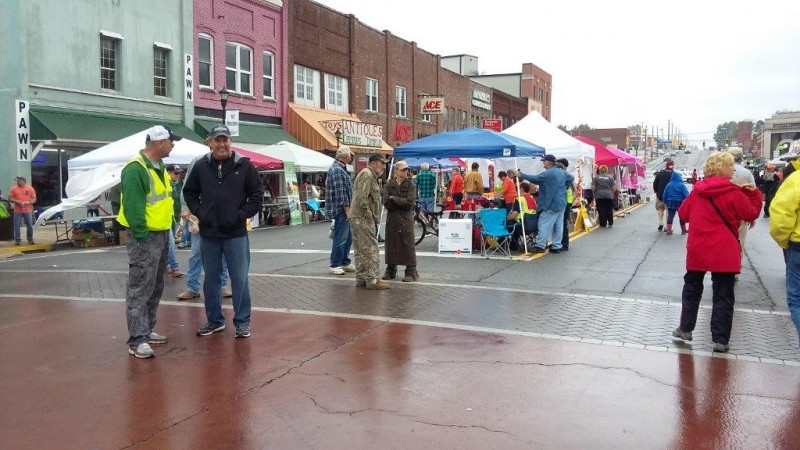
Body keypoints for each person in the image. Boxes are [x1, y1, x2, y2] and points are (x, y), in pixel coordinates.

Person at [671, 151, 762, 353]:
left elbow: (684, 214)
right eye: (730, 166)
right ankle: (720, 340)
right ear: (723, 169)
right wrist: (754, 194)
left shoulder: (697, 191)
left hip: (699, 248)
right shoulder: (734, 193)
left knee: (692, 289)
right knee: (723, 295)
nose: (733, 169)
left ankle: (685, 329)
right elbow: (750, 213)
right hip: (724, 250)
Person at [183, 124, 265, 339]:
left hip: (236, 233)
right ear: (210, 142)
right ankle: (214, 320)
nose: (221, 144)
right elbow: (189, 193)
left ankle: (242, 322)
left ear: (230, 142)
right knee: (211, 279)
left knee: (239, 279)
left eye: (225, 140)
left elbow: (257, 194)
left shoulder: (244, 165)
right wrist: (201, 212)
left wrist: (241, 214)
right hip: (209, 234)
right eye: (217, 140)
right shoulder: (201, 166)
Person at [116, 125, 181, 358]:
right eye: (171, 141)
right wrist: (142, 236)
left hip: (161, 234)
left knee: (155, 285)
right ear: (160, 142)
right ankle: (137, 339)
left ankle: (147, 329)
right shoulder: (136, 168)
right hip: (146, 236)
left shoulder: (158, 166)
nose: (173, 145)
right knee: (140, 287)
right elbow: (134, 208)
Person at [768, 157, 800, 347]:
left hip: (797, 244)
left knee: (796, 299)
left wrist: (784, 241)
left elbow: (780, 215)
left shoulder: (795, 180)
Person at [518, 154, 573, 254]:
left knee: (543, 224)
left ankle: (540, 245)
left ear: (549, 162)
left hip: (550, 203)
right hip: (561, 202)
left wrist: (521, 175)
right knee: (558, 226)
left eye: (544, 161)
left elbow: (535, 178)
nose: (543, 163)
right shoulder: (562, 172)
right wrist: (564, 186)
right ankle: (556, 245)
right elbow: (571, 178)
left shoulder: (548, 173)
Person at [351, 154, 390, 290]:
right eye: (381, 163)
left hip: (358, 216)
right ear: (373, 163)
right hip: (363, 217)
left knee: (361, 249)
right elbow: (362, 197)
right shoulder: (367, 175)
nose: (384, 167)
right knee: (370, 248)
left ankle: (361, 278)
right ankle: (372, 279)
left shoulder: (368, 175)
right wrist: (368, 214)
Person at [381, 160, 418, 282]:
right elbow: (386, 202)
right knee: (391, 244)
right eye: (402, 169)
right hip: (392, 218)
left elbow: (409, 202)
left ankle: (411, 271)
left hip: (406, 218)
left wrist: (395, 198)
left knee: (407, 244)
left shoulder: (411, 185)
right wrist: (398, 201)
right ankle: (390, 269)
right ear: (396, 171)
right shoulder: (388, 184)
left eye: (406, 169)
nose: (405, 172)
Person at [325, 146, 356, 276]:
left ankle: (344, 261)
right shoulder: (337, 169)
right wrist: (347, 209)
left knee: (348, 237)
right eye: (350, 154)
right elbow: (341, 193)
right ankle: (335, 264)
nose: (351, 157)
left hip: (343, 209)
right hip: (341, 209)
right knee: (341, 237)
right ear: (345, 156)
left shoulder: (340, 168)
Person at [728, 147, 757, 273]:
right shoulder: (747, 173)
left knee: (725, 241)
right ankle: (735, 269)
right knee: (740, 241)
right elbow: (753, 191)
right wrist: (752, 216)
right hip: (741, 212)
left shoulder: (724, 172)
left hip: (724, 210)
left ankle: (724, 267)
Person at [507, 181, 538, 249]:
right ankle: (513, 243)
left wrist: (508, 218)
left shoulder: (519, 199)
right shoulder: (532, 199)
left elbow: (514, 215)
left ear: (521, 189)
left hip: (523, 225)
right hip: (534, 226)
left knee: (506, 223)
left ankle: (505, 243)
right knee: (514, 224)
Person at [165, 165, 184, 277]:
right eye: (175, 173)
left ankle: (166, 265)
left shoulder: (177, 185)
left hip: (174, 218)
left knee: (167, 244)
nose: (178, 175)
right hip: (166, 218)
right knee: (171, 243)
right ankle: (174, 267)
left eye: (179, 173)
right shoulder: (166, 184)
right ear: (168, 173)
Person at [9, 176, 37, 245]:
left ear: (23, 181)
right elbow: (10, 198)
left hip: (28, 210)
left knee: (30, 225)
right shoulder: (13, 189)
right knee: (17, 225)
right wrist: (18, 201)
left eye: (19, 180)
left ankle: (30, 239)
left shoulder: (30, 188)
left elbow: (34, 199)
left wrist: (29, 202)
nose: (17, 182)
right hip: (18, 210)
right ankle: (17, 240)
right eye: (17, 180)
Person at [662, 171, 689, 235]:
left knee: (670, 215)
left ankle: (669, 229)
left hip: (671, 201)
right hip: (680, 202)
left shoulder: (669, 184)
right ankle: (683, 229)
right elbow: (686, 194)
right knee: (681, 216)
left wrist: (665, 201)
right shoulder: (682, 185)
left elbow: (665, 194)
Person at [557, 158, 576, 250]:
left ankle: (564, 244)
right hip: (565, 201)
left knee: (563, 223)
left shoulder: (567, 175)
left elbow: (574, 189)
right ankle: (558, 242)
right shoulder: (565, 175)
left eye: (559, 164)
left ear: (563, 165)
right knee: (559, 223)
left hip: (566, 202)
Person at [653, 160, 675, 231]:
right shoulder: (674, 174)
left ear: (666, 166)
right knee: (668, 210)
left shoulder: (660, 173)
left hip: (660, 195)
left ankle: (661, 222)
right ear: (672, 166)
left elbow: (655, 183)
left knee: (660, 209)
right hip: (670, 196)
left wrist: (656, 191)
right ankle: (667, 226)